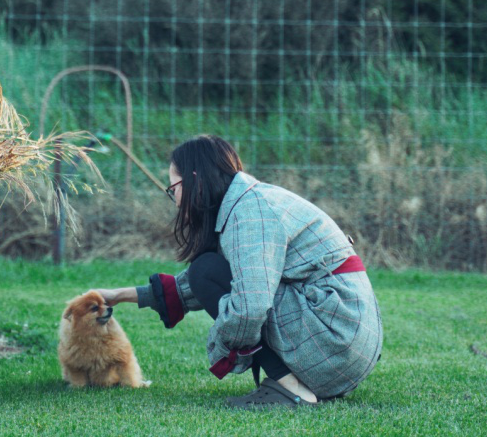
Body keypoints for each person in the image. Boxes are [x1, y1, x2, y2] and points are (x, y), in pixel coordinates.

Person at [97, 134, 382, 408]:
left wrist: (221, 344)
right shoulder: (249, 202)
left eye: (174, 189)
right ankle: (293, 384)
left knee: (206, 271)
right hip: (346, 346)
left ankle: (292, 390)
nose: (176, 200)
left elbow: (250, 307)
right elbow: (208, 283)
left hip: (334, 345)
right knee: (206, 272)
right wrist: (119, 295)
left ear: (195, 180)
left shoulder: (251, 213)